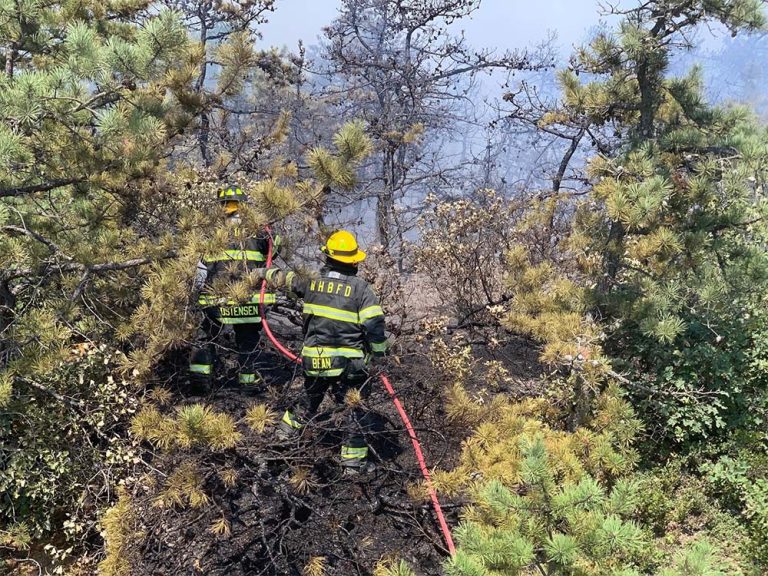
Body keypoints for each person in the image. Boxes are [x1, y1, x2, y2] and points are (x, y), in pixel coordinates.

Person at [262, 230, 388, 472]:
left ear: (328, 258)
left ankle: (280, 441)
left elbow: (284, 279)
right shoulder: (361, 289)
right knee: (355, 410)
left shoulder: (310, 281)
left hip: (315, 361)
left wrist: (261, 272)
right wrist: (379, 355)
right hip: (349, 365)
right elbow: (374, 326)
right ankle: (352, 464)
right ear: (353, 262)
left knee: (306, 402)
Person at [189, 185, 280, 393]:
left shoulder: (210, 231)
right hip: (248, 300)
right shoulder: (259, 230)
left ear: (221, 207)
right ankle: (247, 384)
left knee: (206, 337)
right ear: (244, 206)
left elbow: (200, 268)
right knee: (248, 341)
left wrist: (196, 294)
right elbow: (273, 253)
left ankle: (200, 382)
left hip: (215, 301)